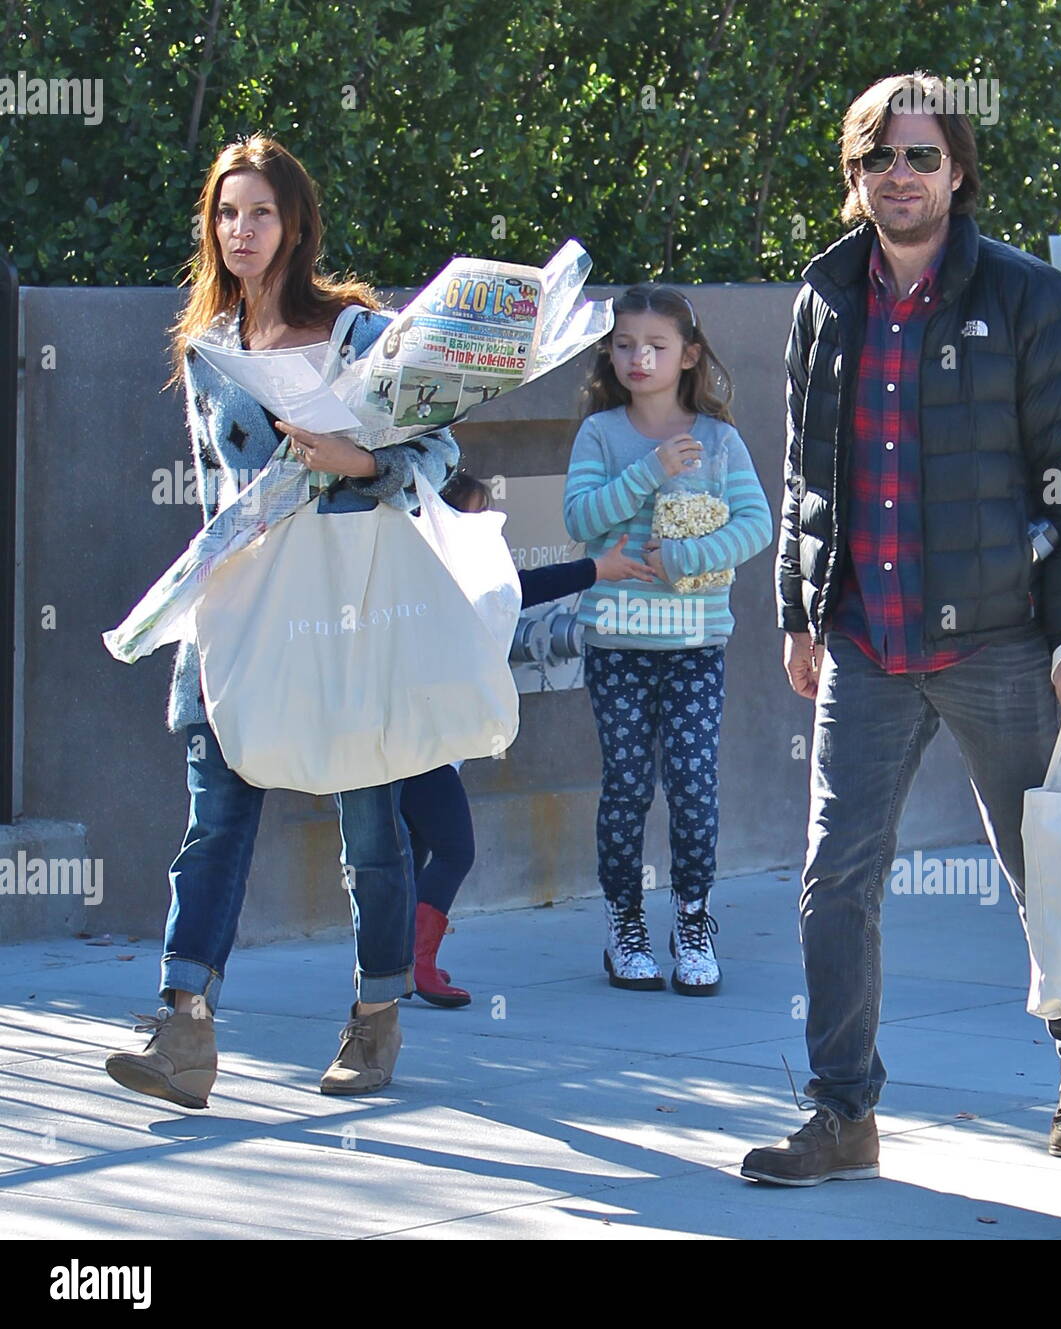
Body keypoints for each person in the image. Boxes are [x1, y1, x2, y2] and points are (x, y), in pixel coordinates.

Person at [741, 71, 1061, 1186]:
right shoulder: (824, 299)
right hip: (862, 635)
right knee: (833, 881)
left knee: (1040, 868)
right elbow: (808, 470)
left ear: (956, 169)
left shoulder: (1026, 297)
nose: (897, 177)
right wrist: (796, 611)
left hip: (999, 638)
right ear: (852, 175)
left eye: (919, 157)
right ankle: (840, 1111)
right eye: (877, 159)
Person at [103, 134, 458, 1109]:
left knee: (368, 832)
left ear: (295, 225)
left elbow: (435, 445)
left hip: (345, 607)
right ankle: (186, 1030)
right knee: (213, 822)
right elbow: (221, 494)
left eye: (260, 212)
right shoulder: (207, 349)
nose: (240, 230)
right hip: (243, 605)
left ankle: (375, 1021)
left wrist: (357, 462)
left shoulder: (353, 333)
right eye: (226, 213)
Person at [563, 285, 773, 995]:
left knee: (692, 781)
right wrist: (650, 471)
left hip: (695, 645)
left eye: (654, 345)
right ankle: (625, 920)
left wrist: (679, 559)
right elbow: (582, 521)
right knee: (625, 784)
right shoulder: (600, 433)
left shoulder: (720, 440)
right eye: (623, 344)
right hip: (617, 643)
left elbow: (756, 525)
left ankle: (693, 916)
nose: (638, 357)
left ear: (688, 355)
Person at [399, 468, 657, 1007]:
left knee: (414, 853)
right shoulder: (441, 580)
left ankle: (399, 964)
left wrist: (598, 568)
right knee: (453, 850)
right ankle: (415, 965)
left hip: (422, 743)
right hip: (421, 747)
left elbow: (514, 588)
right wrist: (599, 567)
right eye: (471, 518)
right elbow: (521, 587)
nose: (484, 532)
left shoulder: (425, 579)